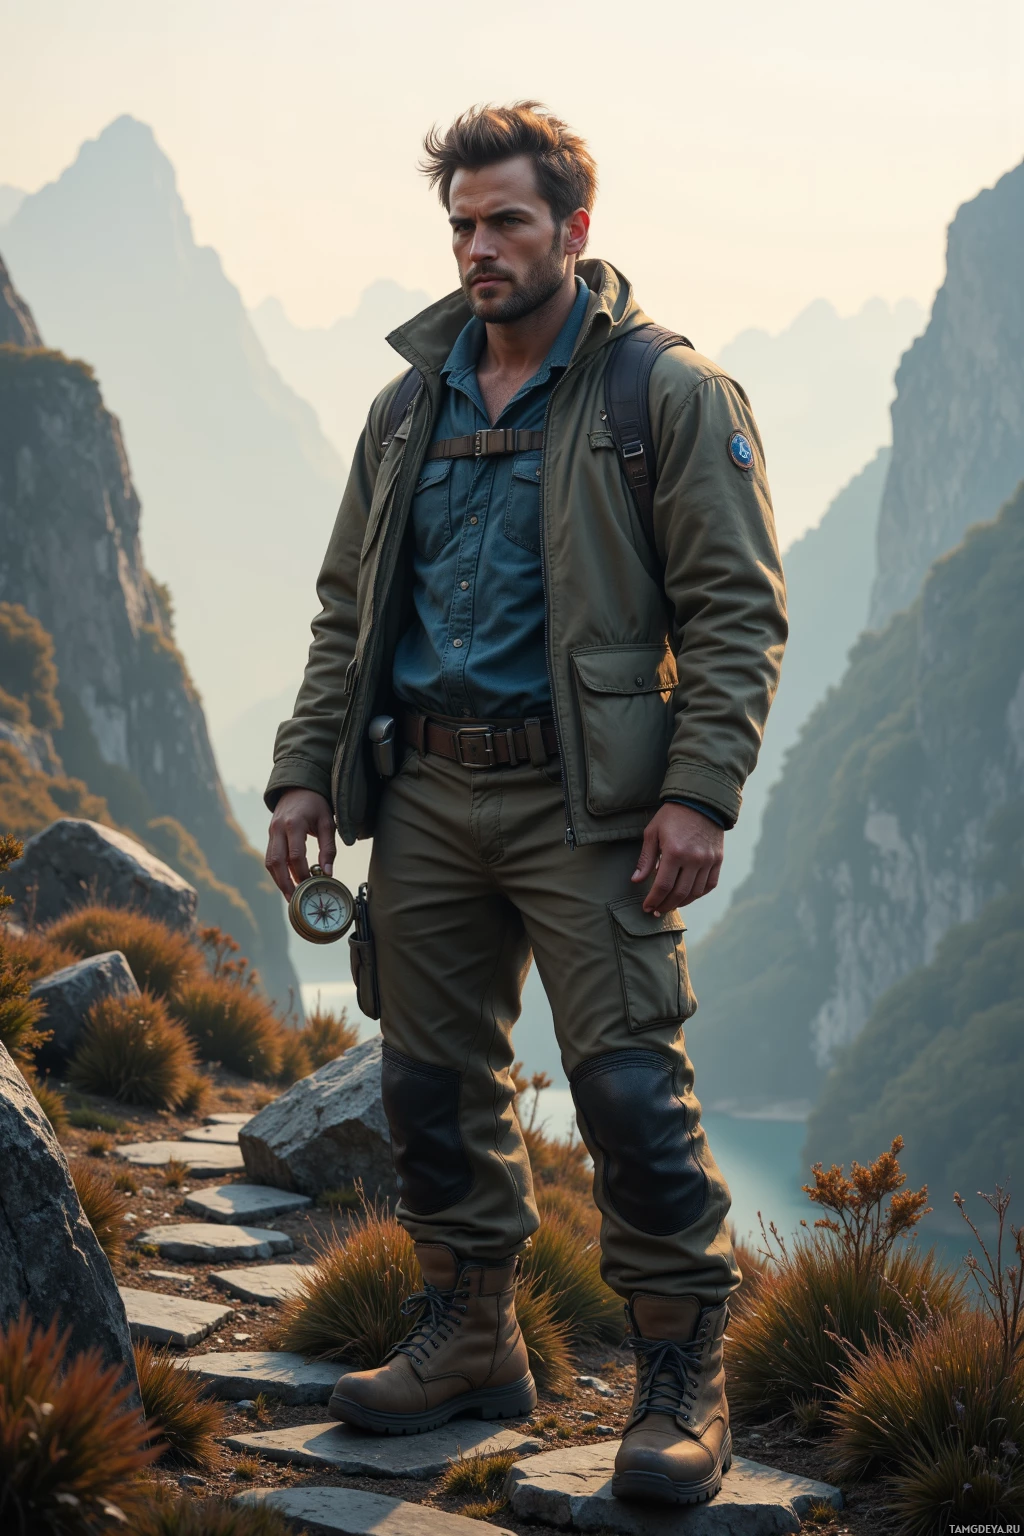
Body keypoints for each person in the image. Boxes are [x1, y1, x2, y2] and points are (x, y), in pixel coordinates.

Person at [265, 101, 787, 1509]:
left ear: (574, 227)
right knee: (428, 1090)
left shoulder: (663, 396)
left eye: (505, 220)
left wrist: (698, 794)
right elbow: (344, 612)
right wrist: (309, 771)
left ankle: (683, 1374)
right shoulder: (408, 406)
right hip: (425, 790)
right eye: (461, 225)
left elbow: (737, 614)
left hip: (592, 808)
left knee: (627, 1089)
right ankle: (471, 1333)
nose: (479, 248)